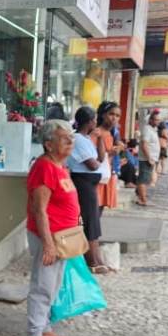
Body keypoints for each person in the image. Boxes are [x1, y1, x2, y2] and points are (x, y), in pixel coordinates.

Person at [23, 119, 82, 336]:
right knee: (43, 286)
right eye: (64, 138)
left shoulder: (59, 166)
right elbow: (39, 210)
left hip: (63, 237)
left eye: (71, 137)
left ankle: (44, 328)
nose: (71, 141)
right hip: (49, 236)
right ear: (48, 144)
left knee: (53, 285)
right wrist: (48, 243)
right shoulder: (44, 167)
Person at [68, 106, 109, 273]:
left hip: (90, 184)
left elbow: (100, 157)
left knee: (93, 221)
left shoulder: (86, 139)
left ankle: (97, 259)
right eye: (95, 120)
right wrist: (98, 164)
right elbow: (93, 165)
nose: (96, 123)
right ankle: (92, 262)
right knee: (89, 222)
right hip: (82, 183)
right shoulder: (77, 139)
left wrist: (100, 138)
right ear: (90, 121)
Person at [93, 101, 123, 210]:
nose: (114, 118)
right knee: (93, 208)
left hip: (108, 173)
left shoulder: (113, 132)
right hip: (97, 174)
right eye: (111, 114)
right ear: (103, 115)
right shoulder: (96, 132)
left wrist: (118, 148)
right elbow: (90, 155)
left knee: (100, 207)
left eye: (117, 116)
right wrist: (109, 154)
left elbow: (118, 145)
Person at [139, 111, 161, 191]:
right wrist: (149, 158)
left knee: (146, 179)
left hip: (151, 159)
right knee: (144, 180)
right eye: (156, 120)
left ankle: (140, 194)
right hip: (146, 159)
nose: (158, 122)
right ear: (150, 120)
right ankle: (142, 197)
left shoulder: (153, 129)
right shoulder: (147, 129)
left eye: (159, 120)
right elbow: (144, 145)